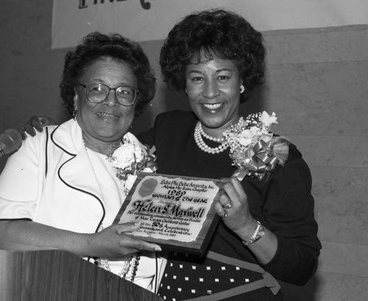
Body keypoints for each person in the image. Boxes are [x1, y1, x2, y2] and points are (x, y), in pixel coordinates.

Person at [25, 9, 321, 300]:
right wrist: (50, 136)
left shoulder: (275, 155)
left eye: (222, 77)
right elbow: (104, 148)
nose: (210, 92)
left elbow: (302, 267)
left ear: (242, 80)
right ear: (184, 83)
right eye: (196, 78)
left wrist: (246, 226)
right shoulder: (167, 131)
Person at [0, 32, 165, 292]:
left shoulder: (148, 163)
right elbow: (2, 230)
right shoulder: (39, 145)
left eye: (124, 91)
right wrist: (92, 244)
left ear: (136, 102)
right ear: (76, 96)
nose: (111, 101)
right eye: (97, 88)